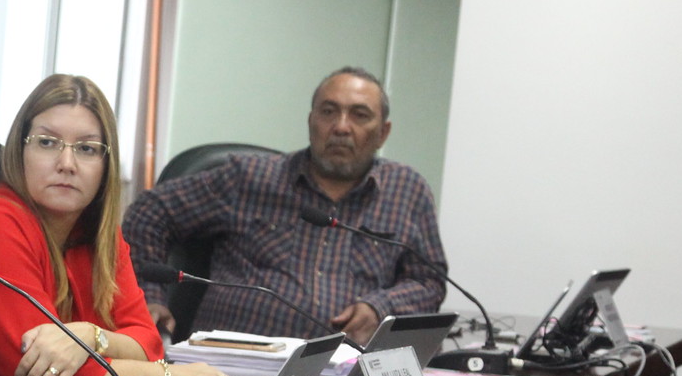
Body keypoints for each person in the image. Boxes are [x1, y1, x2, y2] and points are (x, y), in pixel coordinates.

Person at [0, 74, 238, 376]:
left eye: (86, 148)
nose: (67, 164)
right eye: (47, 142)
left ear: (105, 164)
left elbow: (148, 344)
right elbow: (41, 373)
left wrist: (90, 336)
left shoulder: (99, 233)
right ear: (20, 150)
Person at [123, 66, 447, 344]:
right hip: (232, 366)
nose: (341, 126)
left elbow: (428, 283)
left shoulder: (406, 191)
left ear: (383, 133)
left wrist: (381, 307)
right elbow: (148, 212)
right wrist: (148, 297)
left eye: (359, 115)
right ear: (311, 121)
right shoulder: (250, 177)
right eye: (328, 111)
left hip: (344, 373)